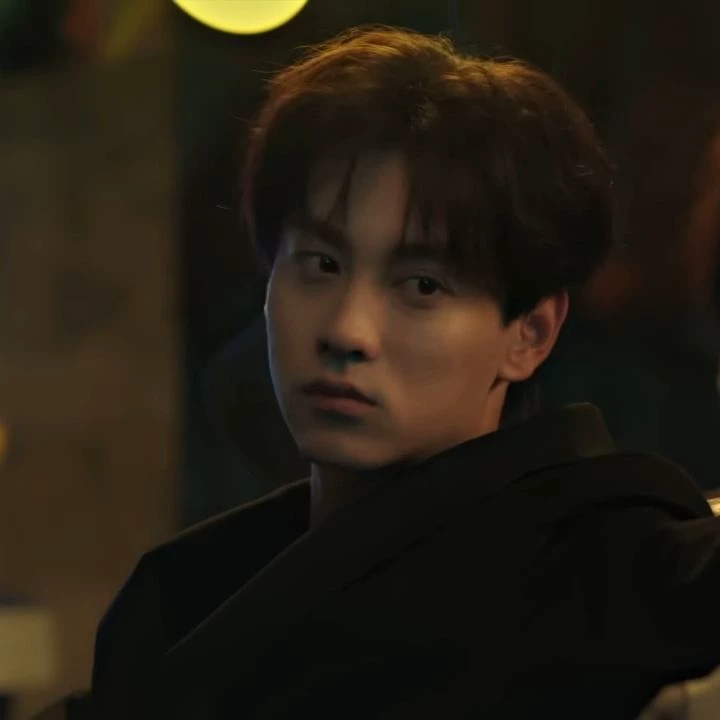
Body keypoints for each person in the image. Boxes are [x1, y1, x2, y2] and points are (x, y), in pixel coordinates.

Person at [76, 27, 720, 719]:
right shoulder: (180, 599)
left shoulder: (603, 570)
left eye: (422, 286)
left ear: (529, 334)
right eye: (321, 264)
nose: (347, 331)